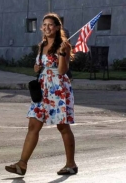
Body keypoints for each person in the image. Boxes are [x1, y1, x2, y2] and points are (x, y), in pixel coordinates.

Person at [5, 13, 77, 176]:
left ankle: (71, 164)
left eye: (50, 25)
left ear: (58, 27)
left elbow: (62, 70)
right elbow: (39, 66)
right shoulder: (42, 45)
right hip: (43, 87)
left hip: (58, 88)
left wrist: (62, 54)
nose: (46, 28)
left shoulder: (64, 45)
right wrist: (36, 68)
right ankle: (22, 164)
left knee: (62, 126)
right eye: (44, 25)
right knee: (33, 125)